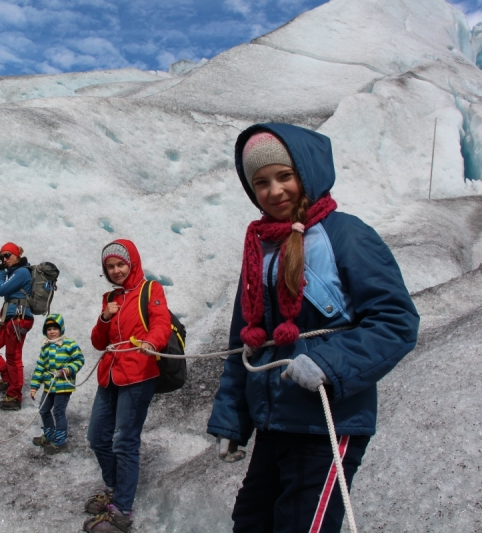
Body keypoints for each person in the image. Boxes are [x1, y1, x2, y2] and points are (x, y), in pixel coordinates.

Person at [208, 124, 420, 533]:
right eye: (261, 182)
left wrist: (329, 364)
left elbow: (396, 320)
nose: (274, 191)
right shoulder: (260, 250)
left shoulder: (346, 234)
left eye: (284, 176)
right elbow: (245, 344)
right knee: (250, 522)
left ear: (307, 173)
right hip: (274, 422)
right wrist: (232, 422)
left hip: (328, 419)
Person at [83, 239, 172, 533]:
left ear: (132, 262)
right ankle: (115, 487)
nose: (116, 270)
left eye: (120, 264)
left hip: (139, 373)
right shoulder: (110, 297)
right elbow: (98, 342)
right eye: (110, 267)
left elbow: (162, 323)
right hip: (110, 372)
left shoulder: (151, 290)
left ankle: (121, 509)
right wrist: (104, 316)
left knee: (125, 440)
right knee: (97, 436)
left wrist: (152, 342)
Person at [0, 242, 34, 411]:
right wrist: (0, 316)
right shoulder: (13, 272)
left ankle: (14, 395)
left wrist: (0, 273)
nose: (4, 259)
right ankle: (7, 378)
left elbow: (1, 290)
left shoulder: (22, 272)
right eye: (2, 256)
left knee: (13, 356)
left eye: (7, 255)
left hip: (19, 319)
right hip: (9, 317)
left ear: (17, 255)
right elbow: (10, 298)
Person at [29, 313, 85, 455]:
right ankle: (49, 435)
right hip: (49, 386)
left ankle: (60, 441)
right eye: (49, 329)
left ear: (61, 329)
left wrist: (68, 370)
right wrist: (34, 386)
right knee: (44, 409)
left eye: (55, 328)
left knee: (58, 412)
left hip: (63, 386)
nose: (52, 332)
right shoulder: (45, 347)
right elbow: (40, 367)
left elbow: (79, 359)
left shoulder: (69, 344)